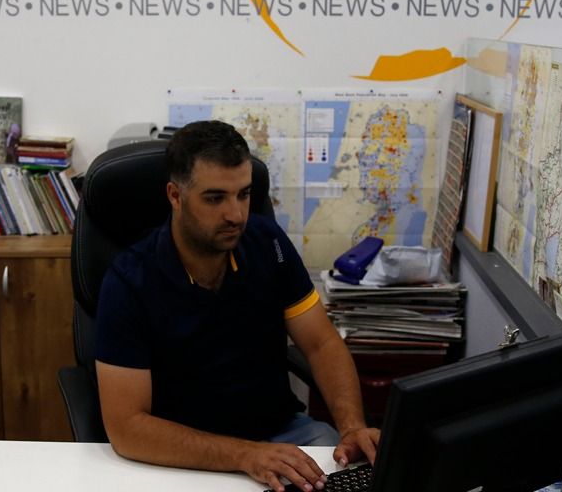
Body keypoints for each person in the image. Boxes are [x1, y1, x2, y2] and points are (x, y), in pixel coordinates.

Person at [95, 120, 380, 492]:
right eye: (215, 198)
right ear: (175, 196)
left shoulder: (267, 243)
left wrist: (353, 427)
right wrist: (244, 454)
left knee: (363, 478)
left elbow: (321, 344)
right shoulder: (129, 281)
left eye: (244, 194)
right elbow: (127, 427)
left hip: (281, 436)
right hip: (183, 454)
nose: (236, 215)